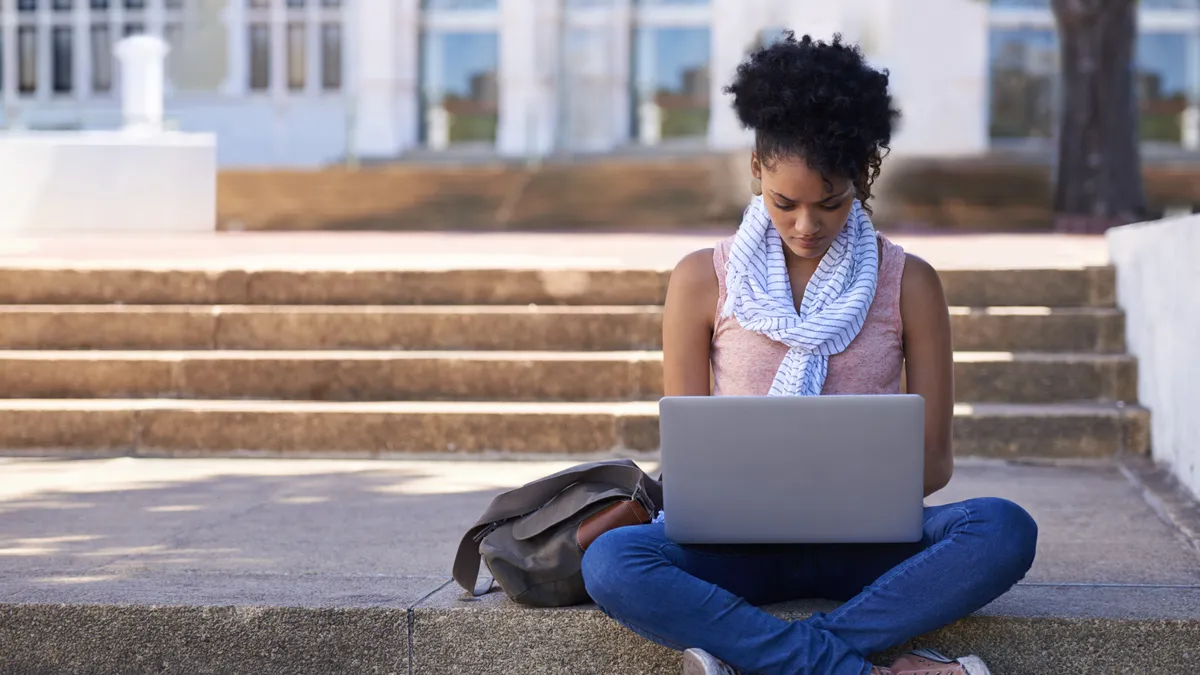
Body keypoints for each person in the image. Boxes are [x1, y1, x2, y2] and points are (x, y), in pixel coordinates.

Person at [580, 33, 1038, 675]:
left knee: (1003, 529)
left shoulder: (909, 283)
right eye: (784, 202)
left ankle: (761, 658)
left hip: (867, 546)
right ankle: (862, 668)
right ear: (756, 169)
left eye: (831, 203)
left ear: (864, 178)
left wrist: (853, 486)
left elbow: (933, 466)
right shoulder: (700, 280)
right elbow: (684, 462)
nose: (804, 225)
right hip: (735, 547)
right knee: (612, 560)